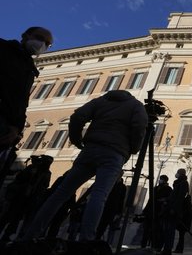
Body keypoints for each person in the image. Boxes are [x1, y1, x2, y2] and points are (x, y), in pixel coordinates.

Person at [20, 89, 148, 242]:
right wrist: (134, 148)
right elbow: (140, 128)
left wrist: (76, 139)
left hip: (90, 149)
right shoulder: (136, 105)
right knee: (99, 195)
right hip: (114, 153)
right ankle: (86, 240)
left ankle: (30, 235)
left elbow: (77, 116)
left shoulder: (100, 101)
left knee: (60, 193)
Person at [0, 27, 53, 186]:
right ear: (25, 36)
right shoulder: (3, 49)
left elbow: (22, 102)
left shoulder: (31, 70)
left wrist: (17, 128)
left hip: (6, 126)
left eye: (47, 44)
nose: (42, 44)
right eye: (39, 38)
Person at [0, 154, 53, 241]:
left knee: (17, 218)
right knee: (9, 215)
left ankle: (8, 234)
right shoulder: (32, 168)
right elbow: (19, 178)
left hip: (31, 198)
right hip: (20, 195)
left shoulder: (47, 173)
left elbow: (45, 185)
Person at [160, 169, 191, 255]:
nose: (176, 174)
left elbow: (180, 198)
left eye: (177, 172)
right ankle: (166, 248)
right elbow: (175, 196)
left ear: (180, 174)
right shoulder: (179, 183)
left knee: (170, 230)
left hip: (173, 211)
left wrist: (174, 209)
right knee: (167, 230)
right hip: (171, 209)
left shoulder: (183, 183)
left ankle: (167, 249)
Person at [141, 174, 173, 250]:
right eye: (160, 179)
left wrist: (163, 200)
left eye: (162, 179)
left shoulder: (168, 189)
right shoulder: (155, 188)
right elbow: (150, 200)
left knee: (156, 230)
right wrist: (145, 210)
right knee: (146, 229)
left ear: (165, 181)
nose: (160, 180)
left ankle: (154, 245)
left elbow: (169, 199)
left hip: (159, 212)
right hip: (150, 211)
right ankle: (143, 245)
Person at [95, 177, 126, 243]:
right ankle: (97, 238)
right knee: (100, 224)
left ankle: (104, 240)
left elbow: (121, 200)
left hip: (113, 209)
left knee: (107, 226)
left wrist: (119, 212)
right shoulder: (110, 183)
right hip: (104, 206)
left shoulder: (122, 187)